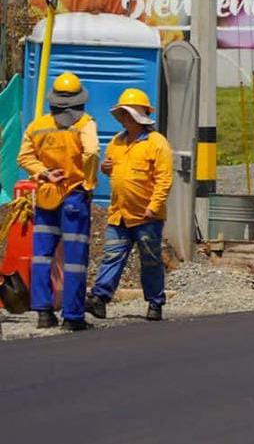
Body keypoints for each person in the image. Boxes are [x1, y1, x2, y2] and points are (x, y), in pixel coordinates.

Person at [17, 72, 99, 331]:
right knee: (74, 259)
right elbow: (92, 152)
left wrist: (44, 173)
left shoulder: (37, 126)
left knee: (42, 256)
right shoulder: (84, 123)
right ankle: (72, 317)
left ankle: (43, 312)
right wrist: (88, 183)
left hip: (45, 197)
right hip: (74, 195)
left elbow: (24, 157)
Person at [85, 88, 173, 322]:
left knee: (150, 260)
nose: (124, 118)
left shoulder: (156, 143)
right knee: (112, 256)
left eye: (128, 113)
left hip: (147, 216)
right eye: (122, 114)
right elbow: (114, 169)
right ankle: (100, 299)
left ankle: (155, 302)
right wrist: (106, 169)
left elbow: (164, 179)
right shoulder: (117, 141)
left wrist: (154, 206)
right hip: (119, 214)